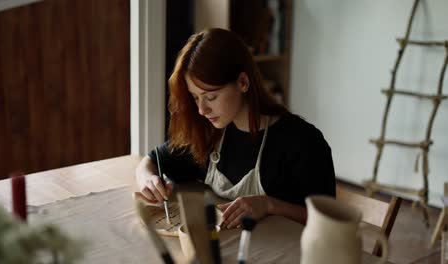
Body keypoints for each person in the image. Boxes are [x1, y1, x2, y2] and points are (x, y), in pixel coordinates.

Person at [135, 28, 335, 228]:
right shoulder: (208, 132)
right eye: (195, 97)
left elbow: (327, 219)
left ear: (243, 82)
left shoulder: (302, 142)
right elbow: (152, 160)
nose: (202, 109)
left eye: (211, 97)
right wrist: (148, 180)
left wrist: (269, 205)